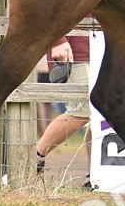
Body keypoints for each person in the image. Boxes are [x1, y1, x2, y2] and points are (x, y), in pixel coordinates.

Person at [35, 35, 92, 187]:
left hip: (103, 46)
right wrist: (57, 40)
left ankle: (93, 176)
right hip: (75, 51)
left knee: (98, 115)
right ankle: (34, 159)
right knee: (80, 113)